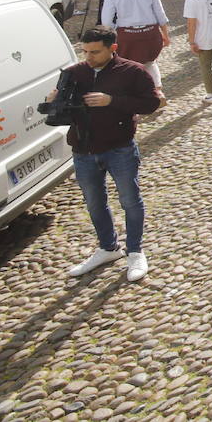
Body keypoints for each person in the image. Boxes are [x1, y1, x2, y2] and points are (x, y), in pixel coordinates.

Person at [51, 27, 160, 282]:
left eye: (95, 52)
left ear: (112, 48)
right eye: (85, 51)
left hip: (119, 148)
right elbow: (57, 116)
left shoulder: (133, 71)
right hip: (83, 150)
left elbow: (151, 103)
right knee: (94, 203)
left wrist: (112, 101)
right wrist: (55, 102)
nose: (88, 57)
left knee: (130, 200)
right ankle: (108, 248)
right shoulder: (73, 73)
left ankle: (135, 252)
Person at [100, 0, 170, 101]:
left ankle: (134, 95)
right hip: (150, 32)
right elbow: (161, 15)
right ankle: (157, 92)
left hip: (127, 34)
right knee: (150, 62)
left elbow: (106, 22)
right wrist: (165, 36)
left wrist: (116, 32)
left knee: (127, 65)